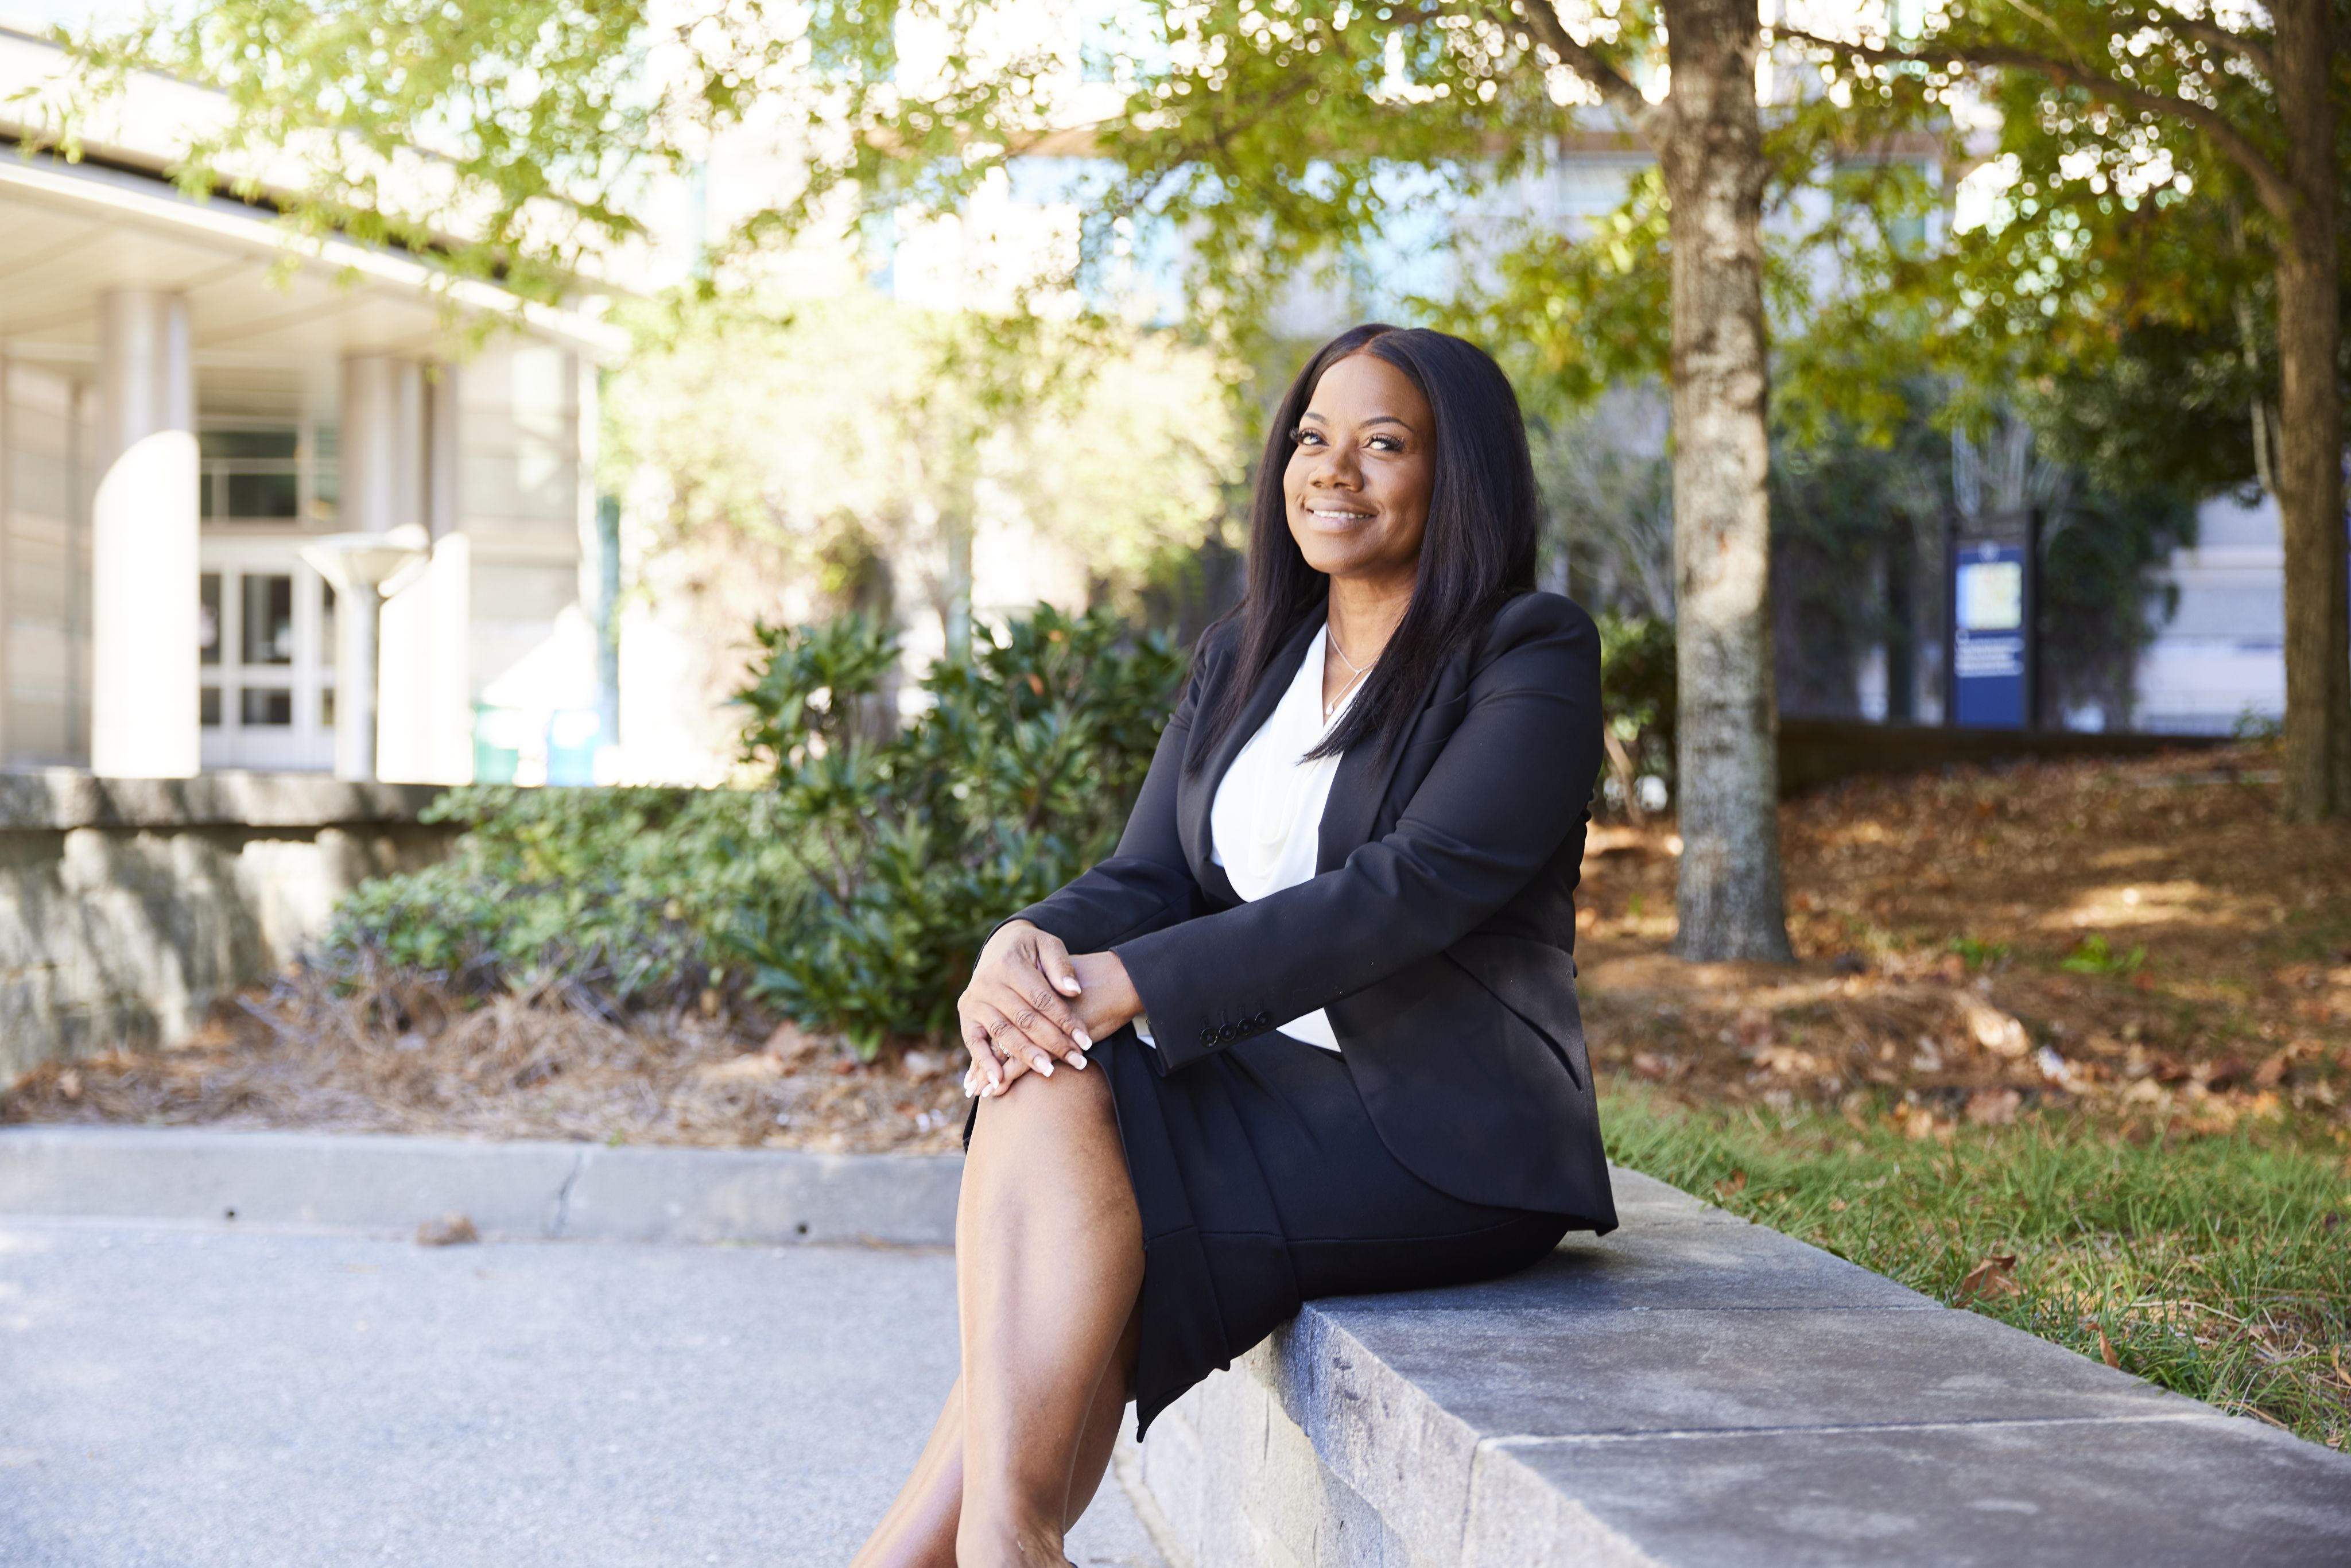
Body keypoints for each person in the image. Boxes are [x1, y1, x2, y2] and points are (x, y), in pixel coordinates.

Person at [850, 324, 1613, 1568]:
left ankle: (970, 1546)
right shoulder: (1247, 655)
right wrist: (1024, 945)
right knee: (1043, 1076)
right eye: (1312, 438)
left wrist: (1128, 984)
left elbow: (1411, 887)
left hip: (1436, 1130)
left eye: (1382, 444)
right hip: (1258, 1093)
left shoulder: (1525, 649)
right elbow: (1150, 874)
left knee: (1071, 1137)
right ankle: (996, 1542)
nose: (1333, 471)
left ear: (1455, 472)